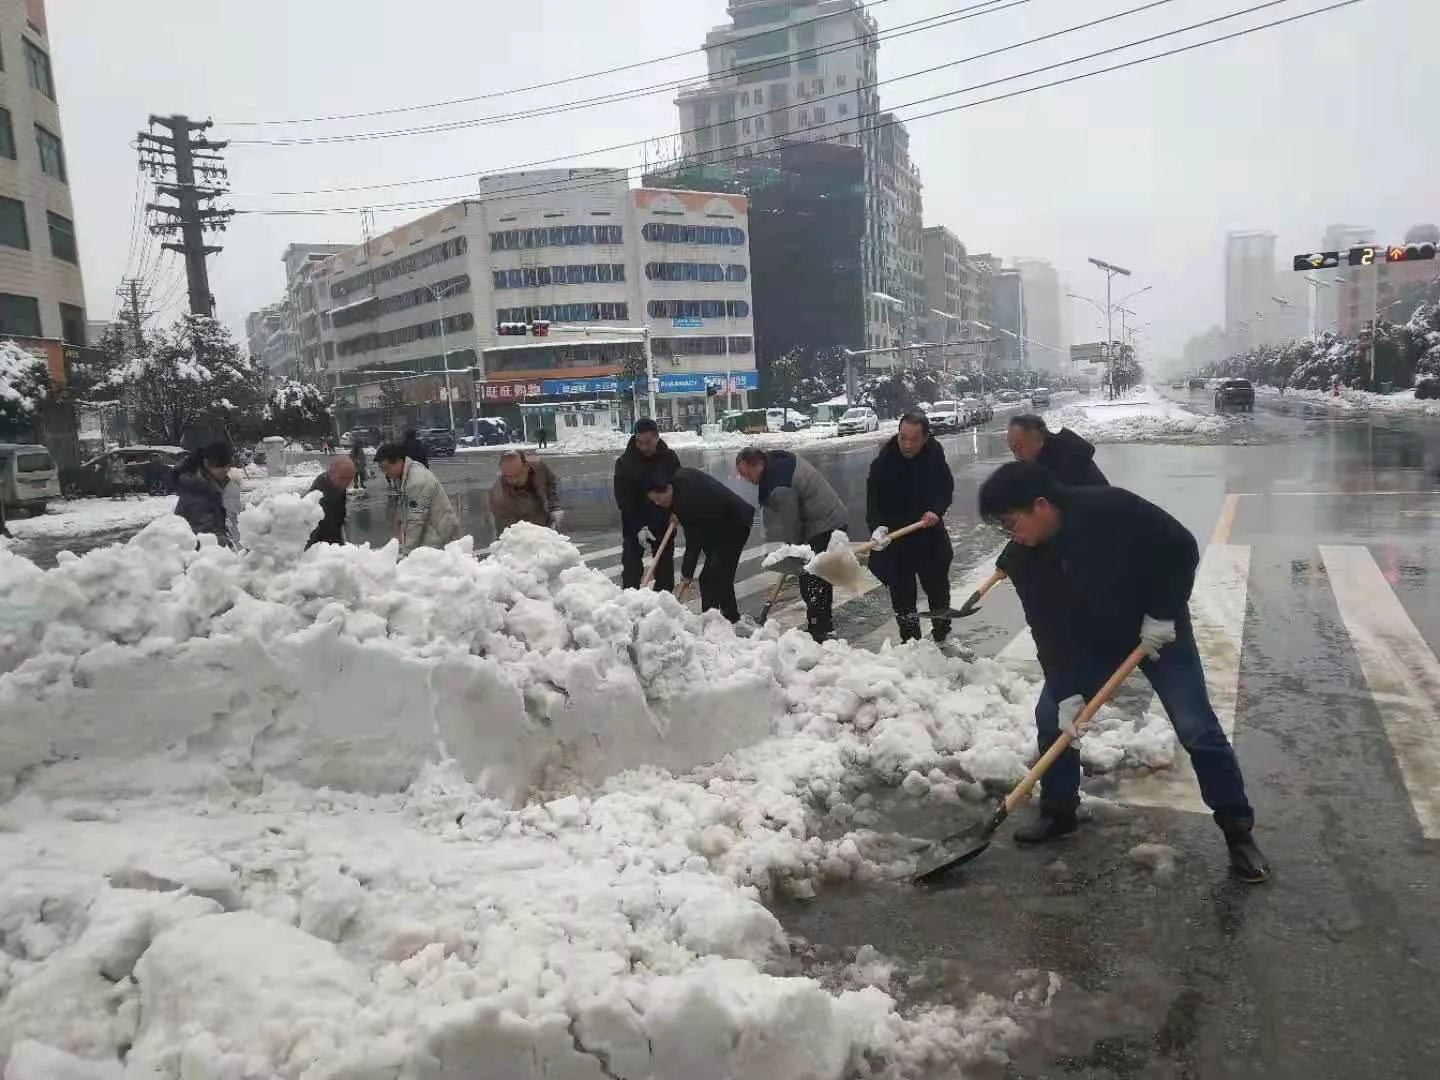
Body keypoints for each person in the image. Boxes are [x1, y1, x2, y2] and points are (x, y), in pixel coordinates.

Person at [978, 461, 1268, 882]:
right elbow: (1046, 627)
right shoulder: (1024, 557)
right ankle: (1060, 812)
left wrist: (1164, 613)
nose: (1011, 535)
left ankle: (1237, 829)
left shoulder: (1111, 510)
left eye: (1011, 522)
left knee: (1195, 726)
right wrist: (1064, 687)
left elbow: (1181, 547)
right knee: (1051, 719)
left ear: (1040, 505)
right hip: (1093, 643)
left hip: (1157, 631)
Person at [735, 447, 849, 642]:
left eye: (747, 474)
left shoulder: (779, 485)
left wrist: (789, 552)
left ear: (759, 464)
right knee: (812, 576)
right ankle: (819, 625)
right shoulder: (774, 463)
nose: (746, 479)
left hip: (826, 524)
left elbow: (791, 524)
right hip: (821, 519)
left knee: (812, 578)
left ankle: (822, 630)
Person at [865, 411, 955, 645]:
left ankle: (942, 636)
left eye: (913, 439)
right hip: (898, 540)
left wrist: (936, 510)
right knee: (903, 599)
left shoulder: (934, 453)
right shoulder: (883, 464)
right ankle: (911, 645)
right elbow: (874, 503)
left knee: (938, 590)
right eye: (902, 437)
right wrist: (878, 527)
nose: (906, 444)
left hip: (929, 535)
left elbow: (944, 487)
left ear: (925, 438)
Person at [648, 467, 754, 621]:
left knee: (709, 578)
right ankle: (731, 619)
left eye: (659, 498)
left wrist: (686, 574)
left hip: (734, 526)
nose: (658, 503)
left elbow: (694, 543)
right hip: (716, 524)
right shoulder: (678, 479)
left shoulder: (686, 503)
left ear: (669, 488)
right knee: (721, 576)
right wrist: (673, 510)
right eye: (655, 501)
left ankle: (711, 622)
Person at [613, 418, 681, 592]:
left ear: (657, 438)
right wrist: (638, 526)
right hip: (636, 523)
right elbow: (624, 498)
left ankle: (662, 607)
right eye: (640, 443)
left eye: (649, 443)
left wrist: (676, 510)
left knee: (664, 572)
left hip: (663, 522)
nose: (645, 447)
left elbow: (681, 485)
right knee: (631, 569)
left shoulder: (669, 457)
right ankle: (631, 603)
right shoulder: (625, 463)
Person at [374, 442, 460, 556]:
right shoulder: (407, 474)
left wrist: (407, 554)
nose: (385, 473)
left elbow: (415, 521)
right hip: (432, 537)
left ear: (398, 461)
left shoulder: (416, 482)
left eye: (385, 467)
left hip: (437, 539)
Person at [1006, 414, 1108, 487]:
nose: (1017, 456)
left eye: (1020, 447)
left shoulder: (1067, 461)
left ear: (1041, 436)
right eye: (1013, 450)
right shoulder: (1049, 458)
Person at [172, 443, 234, 546]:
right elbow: (204, 533)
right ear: (206, 463)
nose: (226, 470)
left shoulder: (210, 484)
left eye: (228, 466)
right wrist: (226, 545)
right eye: (221, 466)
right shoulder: (197, 489)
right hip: (200, 554)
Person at [489, 449, 561, 534]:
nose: (513, 480)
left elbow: (551, 484)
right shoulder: (499, 496)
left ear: (526, 466)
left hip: (543, 513)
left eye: (517, 475)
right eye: (508, 477)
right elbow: (505, 532)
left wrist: (554, 508)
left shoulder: (539, 468)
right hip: (521, 525)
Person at [307, 456, 356, 548]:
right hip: (322, 545)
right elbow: (314, 529)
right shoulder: (319, 493)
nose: (346, 483)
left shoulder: (336, 484)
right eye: (342, 478)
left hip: (334, 537)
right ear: (330, 472)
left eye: (350, 478)